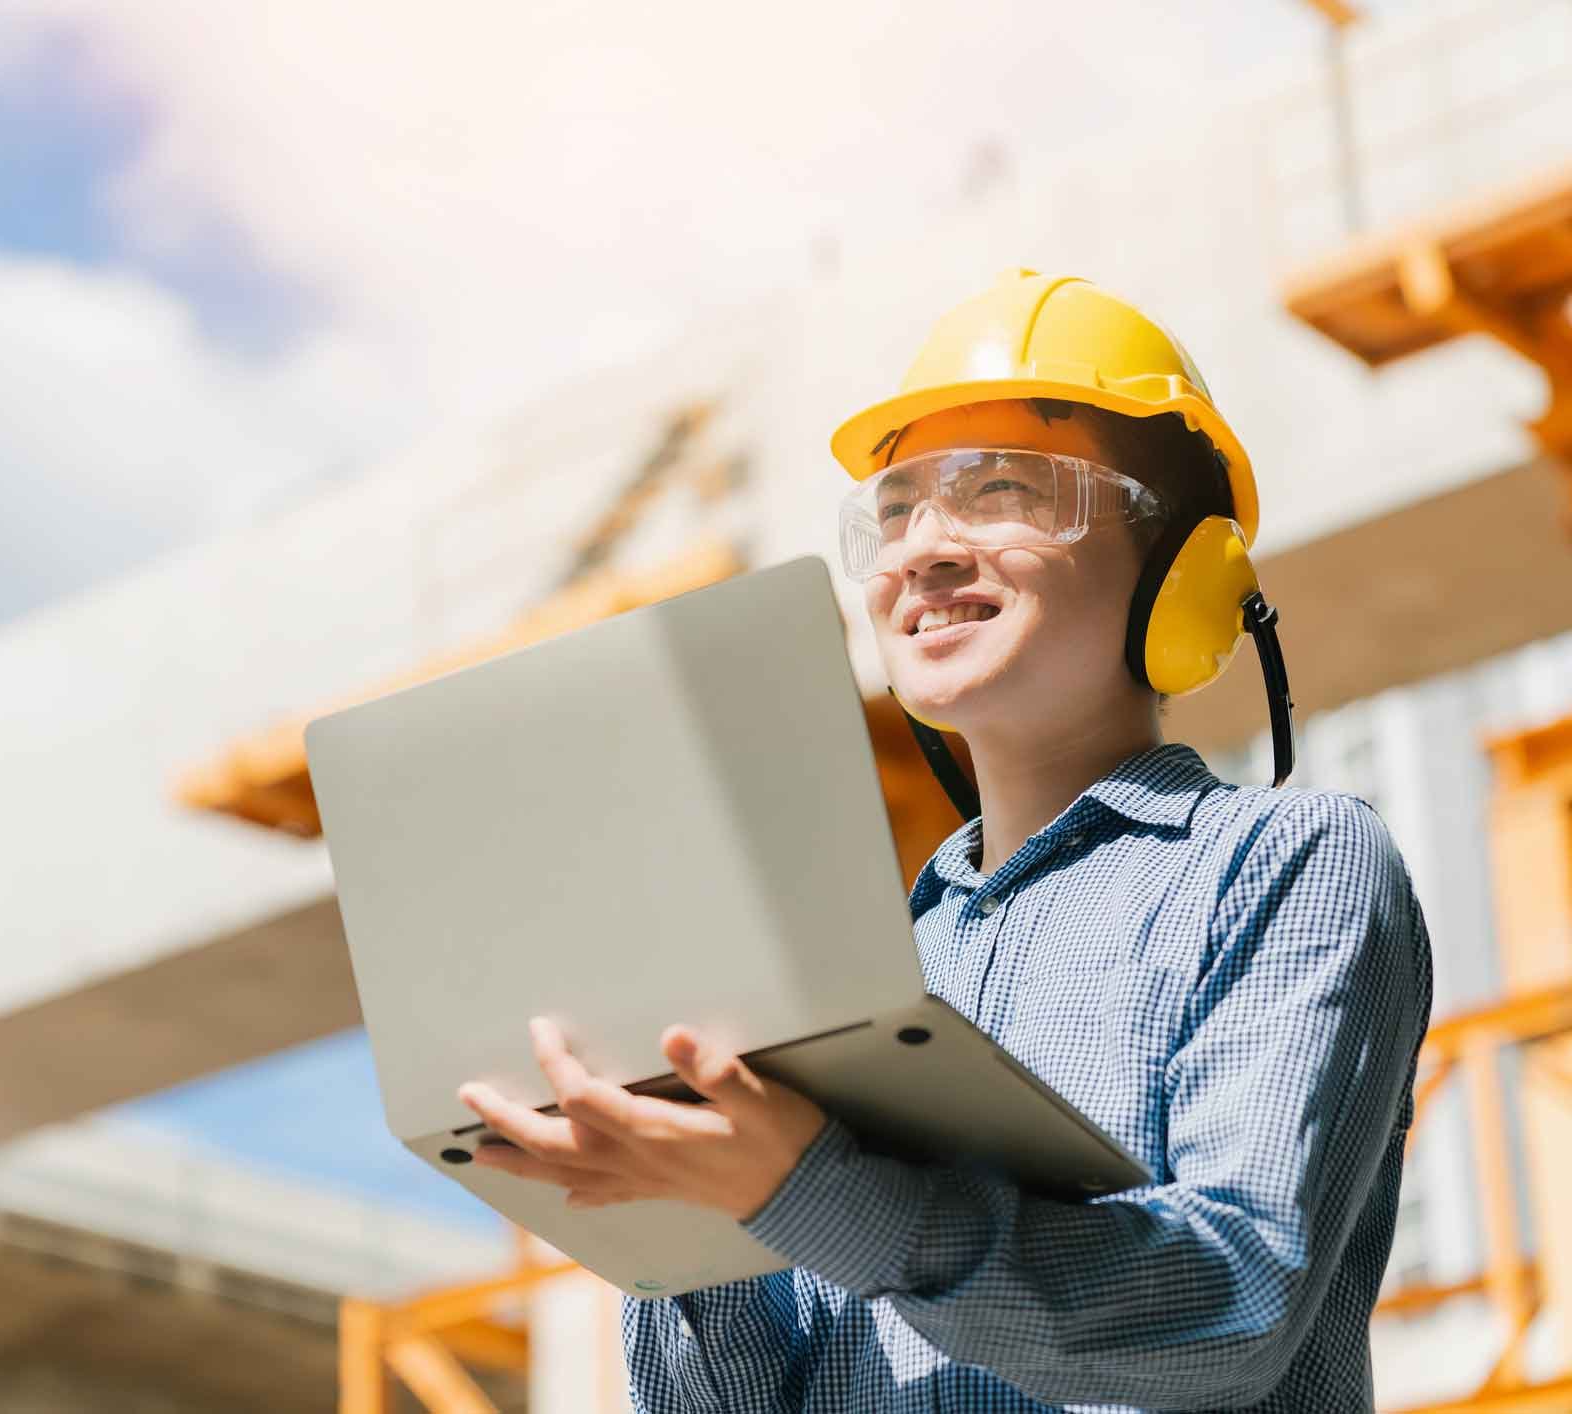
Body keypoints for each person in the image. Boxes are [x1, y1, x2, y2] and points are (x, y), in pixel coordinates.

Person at [452, 271, 1434, 1411]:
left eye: (999, 489)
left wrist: (813, 1187)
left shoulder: (1285, 864)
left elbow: (1230, 1302)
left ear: (1184, 571)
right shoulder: (845, 975)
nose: (918, 550)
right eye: (897, 507)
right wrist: (692, 1209)